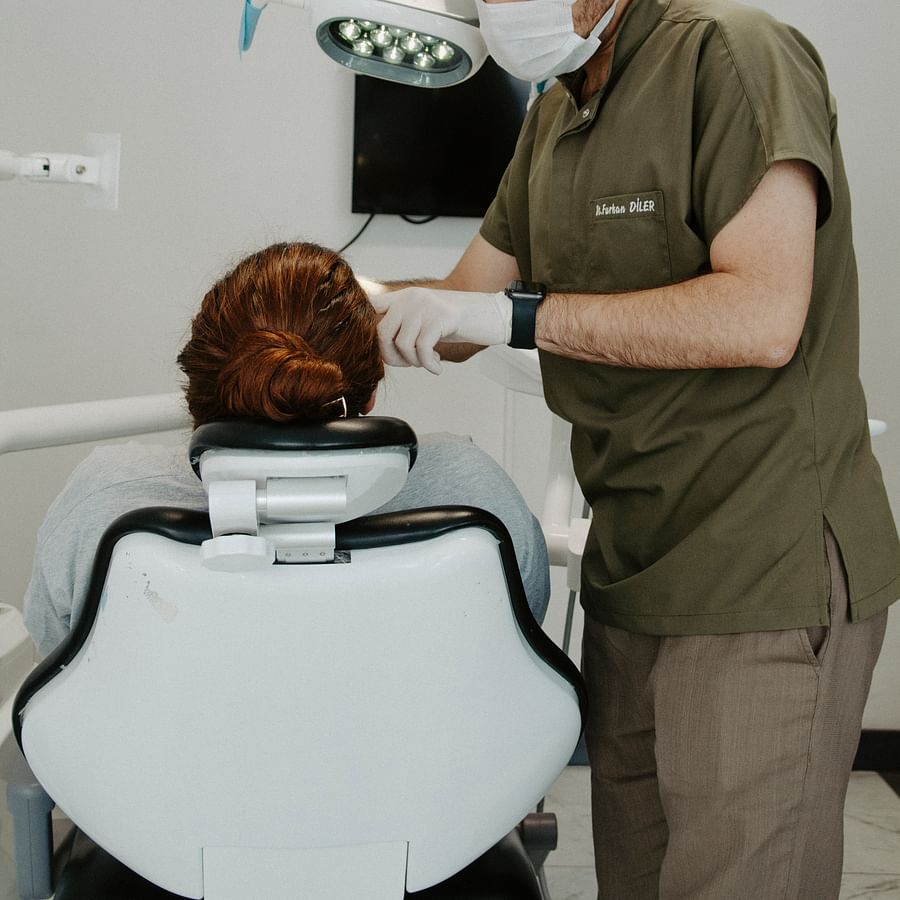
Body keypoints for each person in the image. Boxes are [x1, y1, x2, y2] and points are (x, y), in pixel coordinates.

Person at [369, 1, 900, 898]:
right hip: (631, 572)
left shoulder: (732, 57)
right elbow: (462, 305)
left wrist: (514, 318)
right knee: (638, 878)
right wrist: (341, 297)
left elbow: (764, 316)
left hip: (757, 568)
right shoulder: (553, 114)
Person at [23, 241, 551, 659]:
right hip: (430, 789)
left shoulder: (108, 496)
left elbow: (62, 658)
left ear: (199, 389)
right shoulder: (471, 491)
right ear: (368, 393)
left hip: (152, 793)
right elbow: (518, 647)